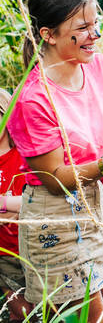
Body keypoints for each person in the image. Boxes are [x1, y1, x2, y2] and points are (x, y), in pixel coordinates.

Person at [6, 0, 103, 323]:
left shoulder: (99, 67)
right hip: (54, 219)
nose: (96, 35)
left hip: (95, 205)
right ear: (48, 35)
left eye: (96, 23)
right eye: (83, 27)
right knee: (91, 318)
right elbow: (54, 178)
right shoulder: (33, 98)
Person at [0, 89, 33, 321]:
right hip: (4, 253)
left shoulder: (27, 155)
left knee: (54, 308)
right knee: (21, 313)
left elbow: (36, 203)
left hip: (35, 248)